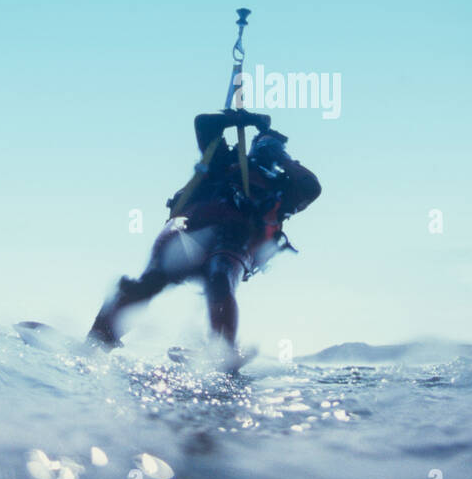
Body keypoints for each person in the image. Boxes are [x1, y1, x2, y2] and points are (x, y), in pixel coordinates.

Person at [87, 109, 321, 357]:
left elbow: (312, 188)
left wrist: (282, 157)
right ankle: (101, 335)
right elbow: (204, 124)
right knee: (152, 278)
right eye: (261, 145)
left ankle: (222, 350)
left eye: (272, 148)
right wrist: (244, 120)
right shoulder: (223, 161)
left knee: (220, 276)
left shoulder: (282, 188)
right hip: (194, 228)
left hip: (236, 242)